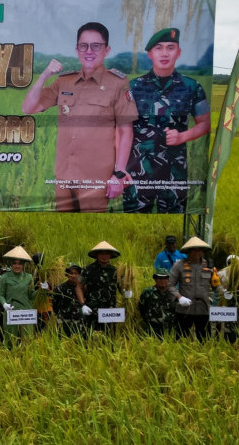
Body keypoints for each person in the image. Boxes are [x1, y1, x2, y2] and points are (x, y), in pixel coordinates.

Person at [22, 22, 138, 212]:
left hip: (96, 180)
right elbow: (28, 107)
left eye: (96, 46)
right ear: (77, 49)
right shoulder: (64, 82)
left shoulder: (117, 83)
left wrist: (118, 174)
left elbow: (125, 132)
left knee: (91, 232)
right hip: (64, 176)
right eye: (83, 46)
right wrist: (45, 74)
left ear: (106, 50)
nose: (89, 51)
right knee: (63, 229)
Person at [123, 28, 211, 213]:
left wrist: (182, 136)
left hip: (174, 171)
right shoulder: (133, 87)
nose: (164, 53)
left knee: (173, 218)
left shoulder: (192, 87)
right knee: (134, 218)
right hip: (138, 170)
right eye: (158, 48)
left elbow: (205, 123)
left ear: (178, 53)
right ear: (150, 53)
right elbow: (121, 129)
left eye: (170, 47)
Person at [169, 237, 222, 342]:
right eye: (194, 250)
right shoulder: (179, 265)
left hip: (203, 309)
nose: (197, 252)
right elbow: (170, 285)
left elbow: (216, 285)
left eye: (199, 249)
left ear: (202, 251)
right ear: (188, 251)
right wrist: (179, 298)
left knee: (203, 339)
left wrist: (224, 292)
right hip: (185, 309)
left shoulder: (209, 266)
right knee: (181, 338)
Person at [80, 241, 132, 331]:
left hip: (110, 311)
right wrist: (83, 305)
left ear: (110, 255)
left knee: (110, 335)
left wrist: (126, 292)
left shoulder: (116, 272)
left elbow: (121, 288)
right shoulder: (87, 270)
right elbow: (78, 287)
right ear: (97, 255)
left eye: (106, 253)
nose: (104, 256)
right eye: (101, 253)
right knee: (91, 336)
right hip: (92, 310)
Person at [0, 246, 37, 345]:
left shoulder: (29, 277)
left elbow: (31, 295)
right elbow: (1, 295)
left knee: (27, 341)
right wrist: (4, 304)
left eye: (20, 264)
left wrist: (42, 290)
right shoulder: (5, 277)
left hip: (26, 312)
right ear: (11, 264)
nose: (17, 266)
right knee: (11, 340)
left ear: (23, 265)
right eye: (14, 263)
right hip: (11, 311)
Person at [138, 268, 177, 338]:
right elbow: (142, 309)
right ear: (155, 279)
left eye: (165, 278)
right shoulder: (147, 293)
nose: (162, 281)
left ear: (168, 280)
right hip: (152, 331)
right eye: (160, 278)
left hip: (171, 332)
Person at [52, 263, 87, 337]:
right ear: (67, 275)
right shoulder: (59, 288)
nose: (73, 275)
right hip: (64, 319)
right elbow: (54, 304)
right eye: (71, 273)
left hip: (79, 320)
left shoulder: (83, 288)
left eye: (76, 273)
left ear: (79, 275)